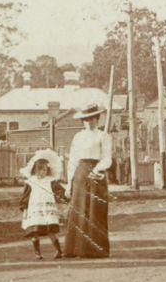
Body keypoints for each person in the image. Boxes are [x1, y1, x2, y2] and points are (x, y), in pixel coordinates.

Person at [62, 104, 114, 258]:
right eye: (85, 119)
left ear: (97, 118)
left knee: (95, 210)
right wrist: (68, 184)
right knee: (79, 209)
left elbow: (107, 158)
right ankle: (75, 249)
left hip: (96, 174)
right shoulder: (78, 137)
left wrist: (97, 169)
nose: (89, 122)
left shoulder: (103, 136)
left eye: (91, 118)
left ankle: (95, 250)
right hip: (80, 174)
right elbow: (72, 161)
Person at [18, 150, 67, 260]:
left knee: (50, 230)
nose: (42, 172)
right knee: (34, 230)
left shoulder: (50, 181)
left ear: (47, 170)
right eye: (39, 169)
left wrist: (66, 196)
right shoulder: (31, 182)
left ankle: (59, 251)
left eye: (44, 169)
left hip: (47, 209)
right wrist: (25, 209)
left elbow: (60, 191)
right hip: (35, 210)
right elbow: (25, 197)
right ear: (34, 170)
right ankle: (37, 253)